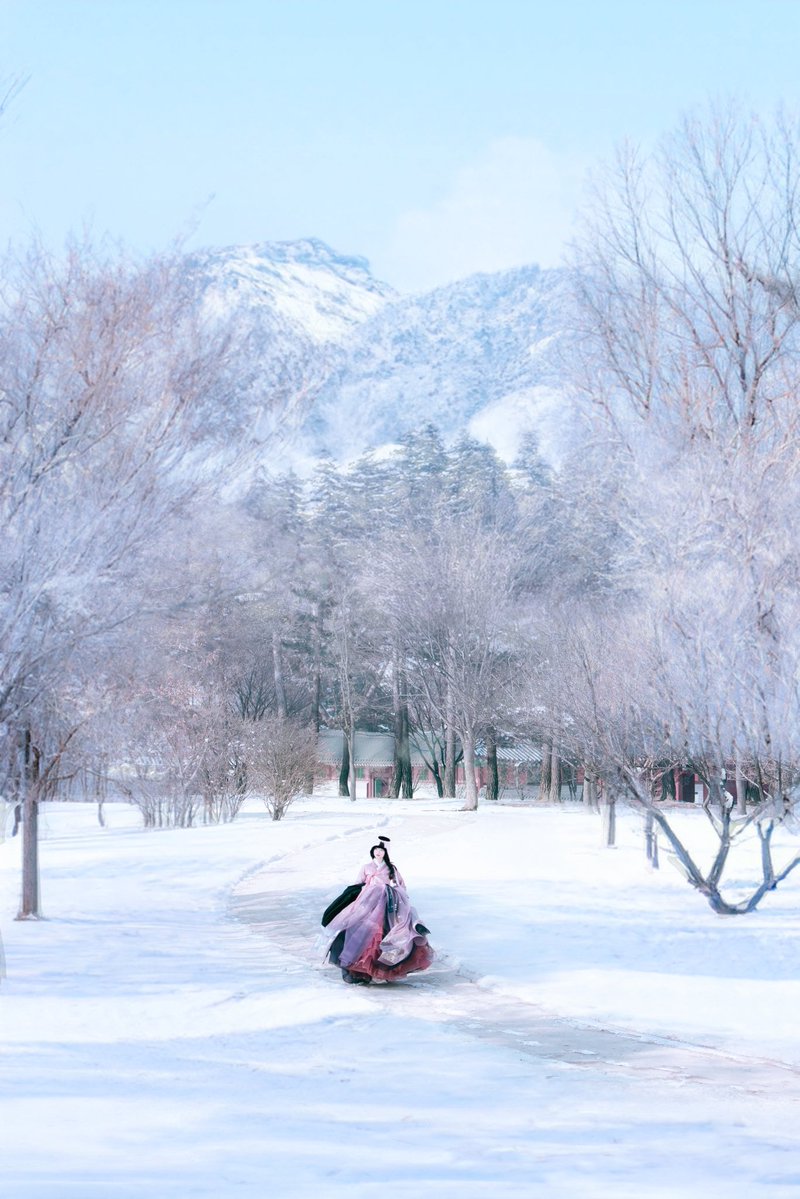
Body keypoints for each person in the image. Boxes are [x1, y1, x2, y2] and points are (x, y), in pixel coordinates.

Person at [323, 836, 434, 985]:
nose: (378, 853)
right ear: (372, 852)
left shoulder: (391, 868)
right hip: (368, 901)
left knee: (388, 928)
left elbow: (400, 884)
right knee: (363, 929)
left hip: (387, 901)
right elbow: (358, 883)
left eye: (381, 851)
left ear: (385, 852)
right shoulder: (366, 867)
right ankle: (360, 967)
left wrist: (398, 895)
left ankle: (386, 966)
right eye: (376, 850)